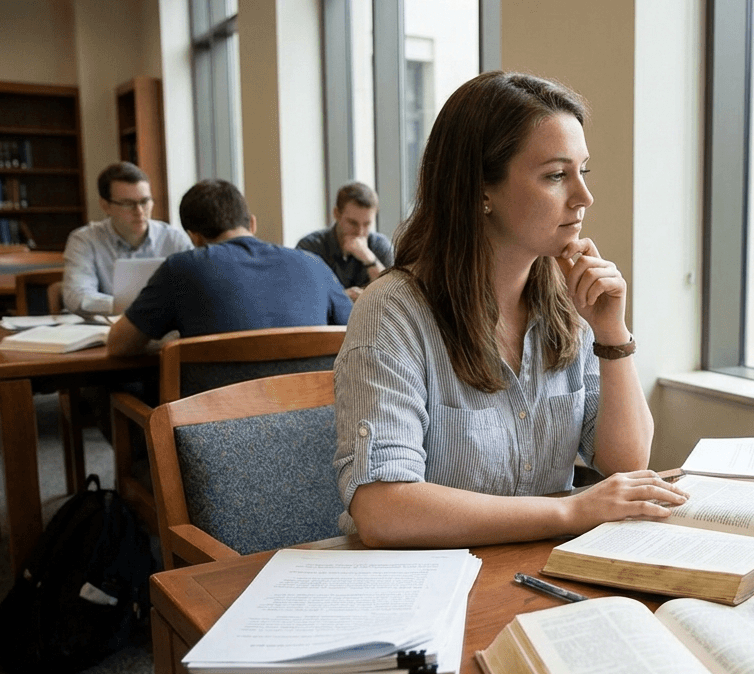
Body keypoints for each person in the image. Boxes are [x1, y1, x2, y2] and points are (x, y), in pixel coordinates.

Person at [334, 71, 687, 549]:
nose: (584, 197)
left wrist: (611, 334)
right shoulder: (392, 313)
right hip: (425, 582)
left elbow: (625, 465)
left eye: (583, 171)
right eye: (556, 175)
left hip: (532, 571)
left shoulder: (567, 303)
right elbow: (383, 510)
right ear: (482, 190)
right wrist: (569, 510)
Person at [107, 179, 353, 356]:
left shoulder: (180, 268)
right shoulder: (314, 264)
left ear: (194, 237)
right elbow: (357, 333)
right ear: (252, 223)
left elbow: (118, 346)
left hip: (214, 414)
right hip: (310, 410)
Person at [62, 162, 193, 315]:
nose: (139, 211)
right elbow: (76, 296)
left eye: (145, 201)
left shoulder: (174, 238)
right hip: (110, 325)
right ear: (105, 206)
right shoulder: (85, 240)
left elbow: (195, 287)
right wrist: (134, 307)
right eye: (127, 203)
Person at [296, 181, 394, 301]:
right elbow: (301, 297)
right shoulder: (310, 247)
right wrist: (341, 298)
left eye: (367, 224)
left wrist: (368, 258)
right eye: (353, 223)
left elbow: (392, 294)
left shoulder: (380, 245)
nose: (360, 232)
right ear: (336, 214)